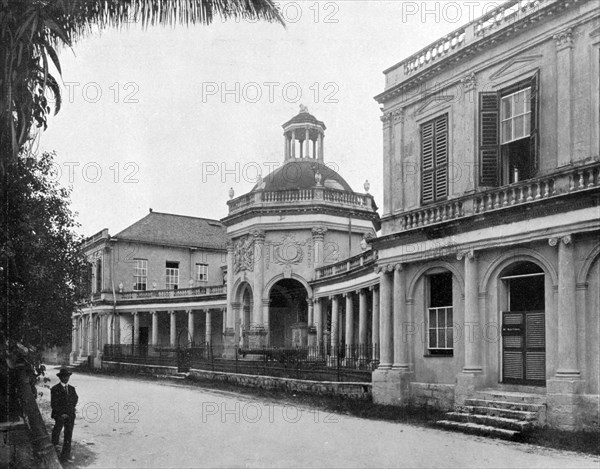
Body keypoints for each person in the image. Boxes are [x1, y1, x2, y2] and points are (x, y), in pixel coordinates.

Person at [51, 368, 78, 462]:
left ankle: (65, 455)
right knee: (57, 430)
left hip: (70, 415)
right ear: (60, 377)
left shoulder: (71, 389)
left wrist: (69, 411)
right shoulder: (55, 389)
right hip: (59, 415)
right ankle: (53, 450)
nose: (66, 378)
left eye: (67, 376)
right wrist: (61, 414)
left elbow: (75, 399)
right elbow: (54, 404)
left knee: (68, 433)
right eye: (63, 376)